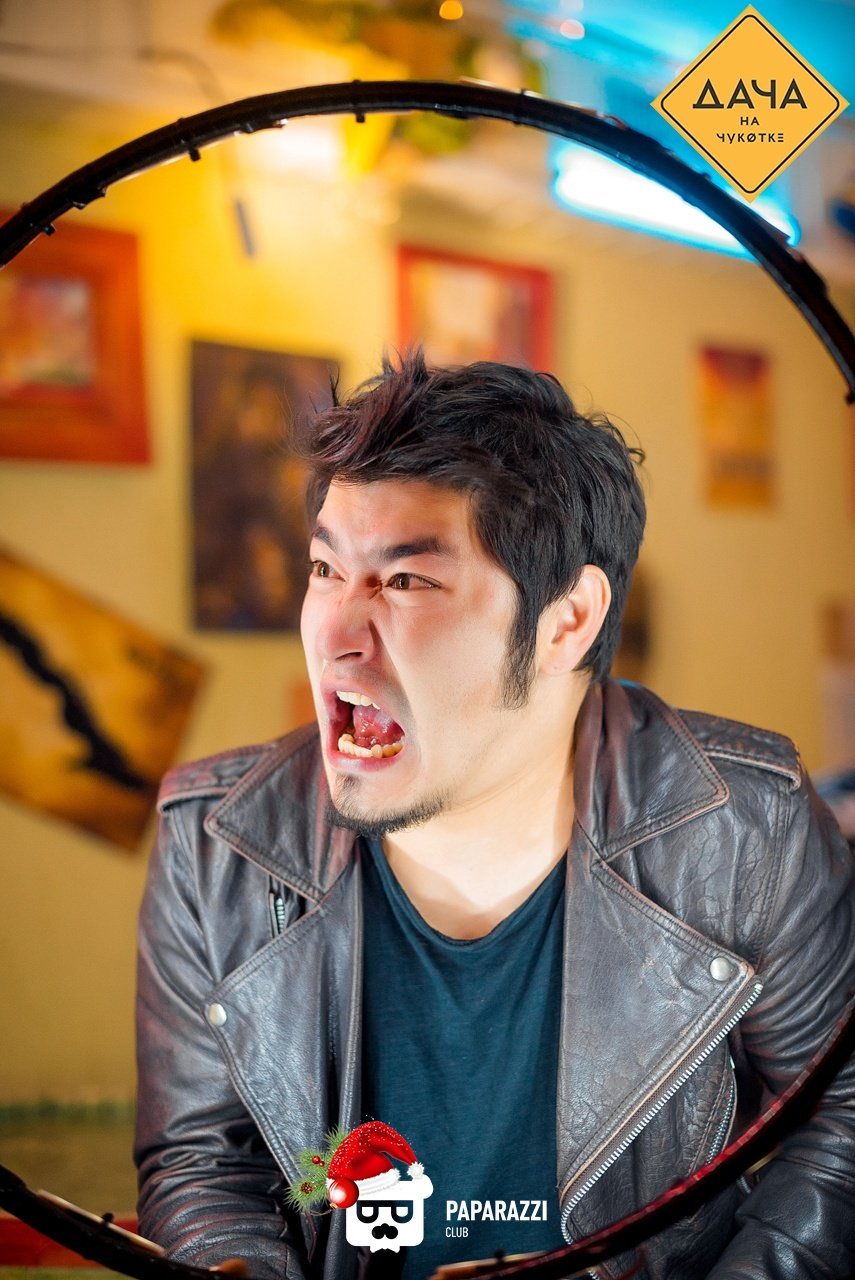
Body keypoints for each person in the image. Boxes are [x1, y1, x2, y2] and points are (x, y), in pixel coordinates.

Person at [135, 351, 855, 1280]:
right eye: (324, 568)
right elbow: (203, 1163)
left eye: (406, 581)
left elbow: (840, 1116)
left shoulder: (748, 829)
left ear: (566, 621)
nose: (335, 633)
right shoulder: (210, 845)